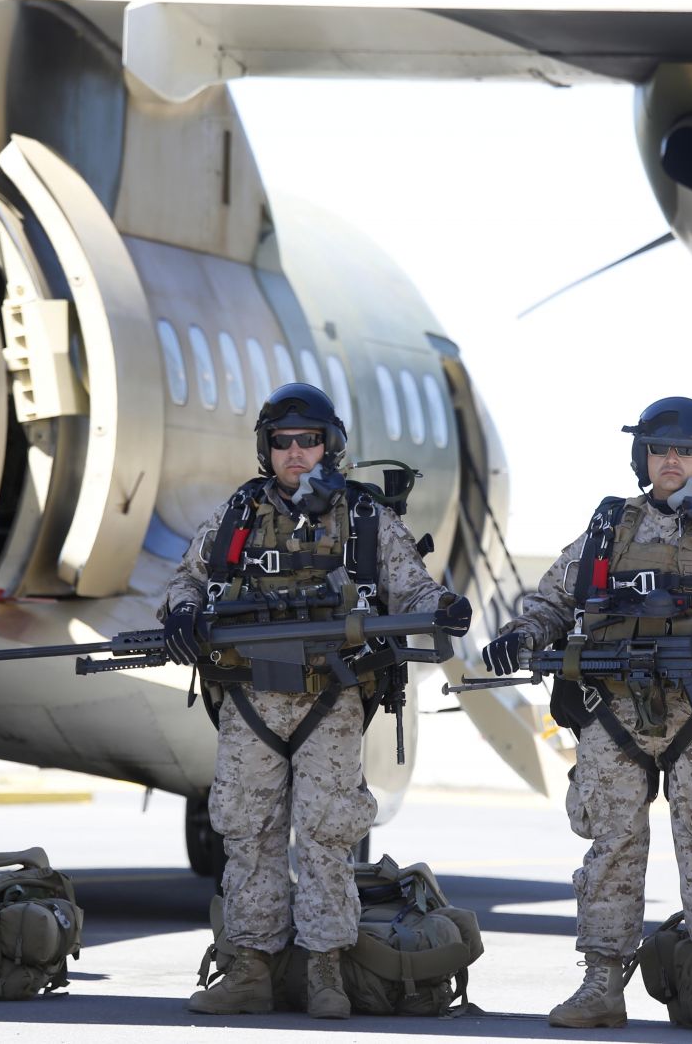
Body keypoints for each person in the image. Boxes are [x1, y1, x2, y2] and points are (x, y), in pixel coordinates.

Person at [481, 397, 692, 1036]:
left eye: (685, 450)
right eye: (660, 450)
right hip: (613, 708)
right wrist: (521, 635)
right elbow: (553, 597)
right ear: (644, 457)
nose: (671, 461)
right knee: (612, 845)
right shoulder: (610, 527)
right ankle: (602, 983)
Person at [161, 382, 472, 1020]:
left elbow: (410, 586)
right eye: (283, 442)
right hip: (251, 700)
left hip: (330, 701)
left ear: (330, 446)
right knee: (249, 835)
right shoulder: (238, 515)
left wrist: (443, 608)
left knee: (329, 838)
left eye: (308, 441)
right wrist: (185, 612)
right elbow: (187, 579)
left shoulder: (363, 517)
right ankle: (249, 968)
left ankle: (327, 971)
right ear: (266, 449)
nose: (296, 452)